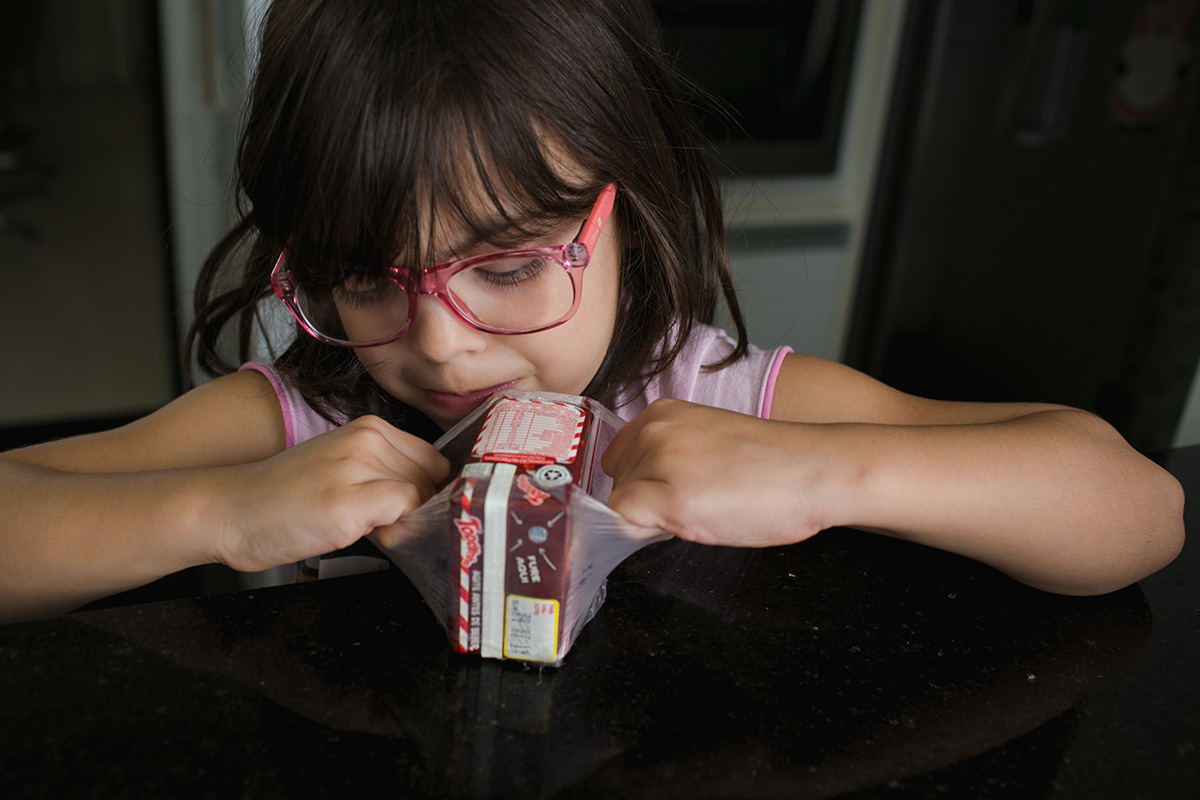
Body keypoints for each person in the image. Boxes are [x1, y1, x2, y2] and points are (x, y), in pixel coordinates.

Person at [0, 0, 1184, 623]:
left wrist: (829, 474)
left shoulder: (709, 394)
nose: (443, 342)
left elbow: (1139, 510)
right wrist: (220, 508)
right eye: (364, 277)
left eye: (509, 268)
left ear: (626, 211)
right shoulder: (309, 414)